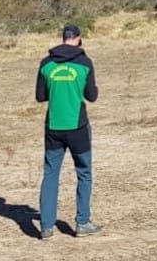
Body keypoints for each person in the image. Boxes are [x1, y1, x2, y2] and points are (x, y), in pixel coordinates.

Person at [35, 24, 101, 239]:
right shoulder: (84, 63)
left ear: (62, 38)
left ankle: (46, 226)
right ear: (79, 39)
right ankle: (82, 222)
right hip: (78, 127)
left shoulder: (46, 64)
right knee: (84, 173)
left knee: (51, 174)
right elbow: (92, 96)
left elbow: (40, 96)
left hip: (54, 127)